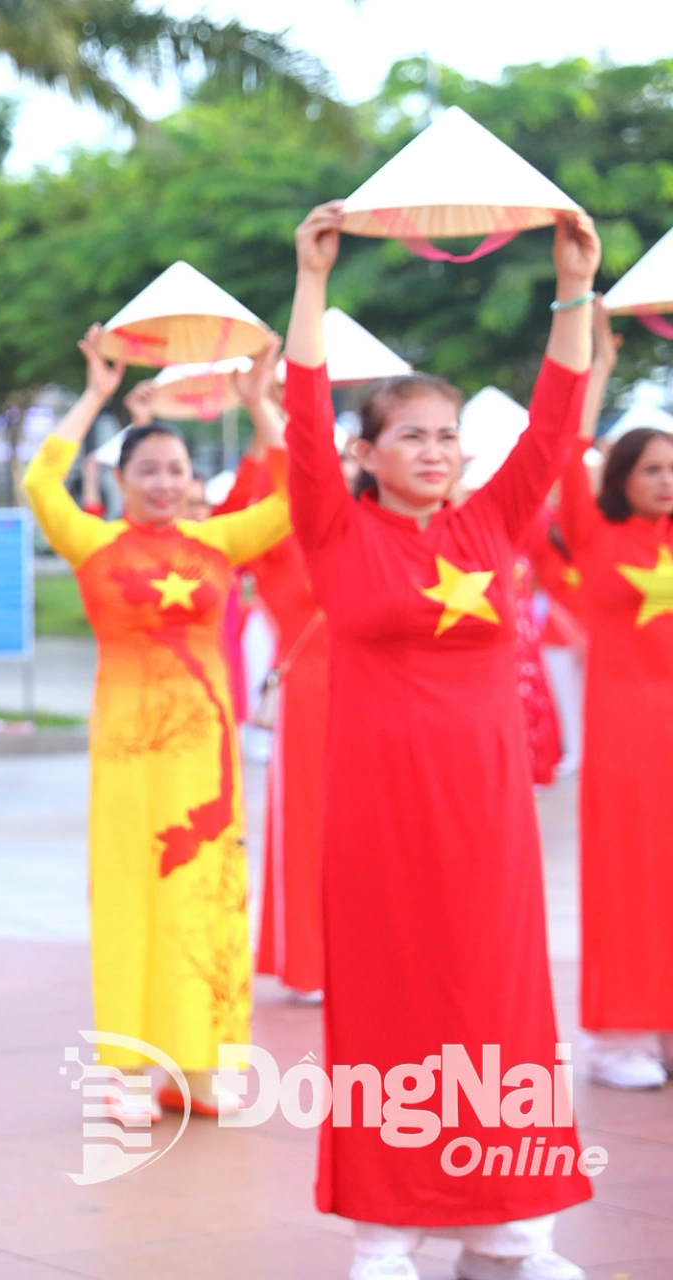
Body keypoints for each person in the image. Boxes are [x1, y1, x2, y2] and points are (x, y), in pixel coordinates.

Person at [283, 200, 597, 1280]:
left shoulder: (491, 522)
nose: (433, 449)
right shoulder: (334, 524)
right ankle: (387, 1229)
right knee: (389, 1003)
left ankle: (512, 1227)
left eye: (447, 434)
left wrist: (573, 286)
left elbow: (557, 420)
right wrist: (313, 282)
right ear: (365, 453)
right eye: (409, 433)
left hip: (489, 814)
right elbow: (301, 405)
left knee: (499, 998)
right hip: (378, 813)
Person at [23, 325, 290, 1118]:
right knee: (132, 897)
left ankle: (200, 1065)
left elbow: (305, 493)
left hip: (206, 756)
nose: (166, 481)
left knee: (208, 896)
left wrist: (260, 402)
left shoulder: (219, 543)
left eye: (177, 469)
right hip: (130, 756)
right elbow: (42, 482)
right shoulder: (96, 544)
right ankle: (130, 1072)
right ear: (125, 476)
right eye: (150, 470)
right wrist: (98, 396)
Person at [559, 302, 673, 1091]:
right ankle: (616, 1038)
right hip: (627, 739)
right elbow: (565, 449)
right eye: (653, 469)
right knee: (631, 881)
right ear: (621, 475)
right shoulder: (597, 536)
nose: (667, 481)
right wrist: (596, 366)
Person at [225, 339, 329, 1003]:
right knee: (308, 826)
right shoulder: (277, 542)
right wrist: (263, 407)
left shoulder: (361, 532)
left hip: (378, 699)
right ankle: (308, 959)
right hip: (311, 699)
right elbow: (267, 492)